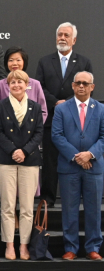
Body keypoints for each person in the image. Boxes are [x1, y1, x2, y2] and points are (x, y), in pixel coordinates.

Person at [35, 22, 92, 205]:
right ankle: (48, 198)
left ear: (74, 40)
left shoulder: (83, 62)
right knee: (49, 161)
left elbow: (87, 88)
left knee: (74, 158)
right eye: (60, 35)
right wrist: (55, 102)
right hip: (50, 119)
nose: (62, 38)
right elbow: (39, 87)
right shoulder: (45, 61)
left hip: (75, 119)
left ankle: (73, 199)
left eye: (66, 35)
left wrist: (66, 103)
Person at [51, 72, 104, 260]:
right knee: (69, 209)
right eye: (78, 83)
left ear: (92, 87)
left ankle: (93, 248)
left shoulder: (101, 109)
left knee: (94, 210)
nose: (81, 86)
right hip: (69, 167)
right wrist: (77, 157)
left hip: (94, 168)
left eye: (85, 83)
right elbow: (57, 135)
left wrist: (90, 154)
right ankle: (71, 248)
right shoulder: (61, 109)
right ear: (73, 86)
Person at [0, 69, 42, 261]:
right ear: (8, 86)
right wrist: (13, 150)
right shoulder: (0, 106)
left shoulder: (35, 107)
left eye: (20, 82)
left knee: (27, 207)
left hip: (30, 160)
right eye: (13, 82)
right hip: (6, 160)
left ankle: (24, 245)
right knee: (8, 206)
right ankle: (10, 245)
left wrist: (24, 151)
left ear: (27, 85)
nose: (17, 85)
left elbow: (39, 133)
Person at [0, 48, 48, 123]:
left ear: (24, 62)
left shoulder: (35, 84)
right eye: (11, 60)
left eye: (18, 60)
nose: (14, 63)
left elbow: (43, 111)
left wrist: (35, 126)